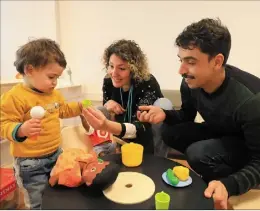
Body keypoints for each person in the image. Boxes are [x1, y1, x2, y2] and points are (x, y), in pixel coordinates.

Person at [137, 18, 260, 209]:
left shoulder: (254, 101)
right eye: (181, 60)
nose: (181, 70)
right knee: (169, 133)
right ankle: (215, 171)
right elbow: (186, 116)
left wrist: (229, 185)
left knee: (197, 154)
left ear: (217, 61)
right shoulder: (190, 83)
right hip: (220, 131)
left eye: (190, 62)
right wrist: (165, 114)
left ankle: (230, 181)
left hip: (248, 146)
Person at [0, 38, 82, 209]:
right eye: (51, 77)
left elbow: (63, 110)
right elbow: (3, 124)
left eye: (57, 78)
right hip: (30, 164)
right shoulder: (14, 97)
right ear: (29, 69)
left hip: (56, 154)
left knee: (57, 196)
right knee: (38, 203)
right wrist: (21, 129)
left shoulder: (53, 94)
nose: (55, 82)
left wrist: (80, 107)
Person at [81, 39, 167, 154]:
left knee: (164, 103)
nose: (114, 73)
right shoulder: (108, 81)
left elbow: (142, 126)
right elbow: (108, 116)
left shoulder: (147, 82)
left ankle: (158, 159)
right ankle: (106, 154)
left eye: (121, 68)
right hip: (121, 131)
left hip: (146, 133)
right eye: (111, 66)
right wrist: (107, 106)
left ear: (134, 70)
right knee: (100, 110)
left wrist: (109, 125)